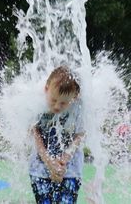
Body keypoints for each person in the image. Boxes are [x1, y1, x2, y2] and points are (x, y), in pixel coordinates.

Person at [29, 66, 85, 204]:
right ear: (46, 89)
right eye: (53, 100)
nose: (57, 106)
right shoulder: (36, 103)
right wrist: (48, 162)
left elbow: (80, 134)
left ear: (75, 97)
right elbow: (34, 131)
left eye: (64, 103)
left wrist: (64, 160)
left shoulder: (79, 107)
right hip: (40, 169)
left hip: (70, 170)